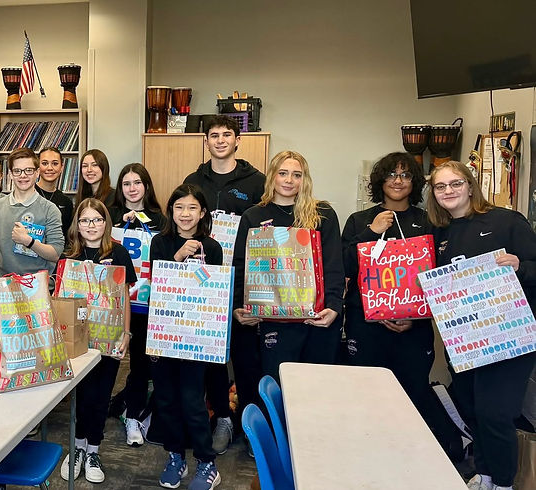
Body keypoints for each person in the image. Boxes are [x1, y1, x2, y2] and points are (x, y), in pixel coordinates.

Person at [426, 161, 536, 490]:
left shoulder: (507, 222)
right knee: (472, 410)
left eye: (455, 184)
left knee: (496, 413)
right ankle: (485, 473)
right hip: (463, 338)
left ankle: (503, 483)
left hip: (509, 337)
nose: (449, 191)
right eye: (440, 186)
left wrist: (520, 266)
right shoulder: (439, 233)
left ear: (471, 185)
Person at [341, 152, 460, 453]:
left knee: (413, 389)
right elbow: (343, 266)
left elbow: (441, 276)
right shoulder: (359, 220)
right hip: (366, 324)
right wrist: (371, 232)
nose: (397, 180)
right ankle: (370, 449)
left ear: (415, 182)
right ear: (380, 180)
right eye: (391, 174)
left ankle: (411, 450)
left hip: (414, 327)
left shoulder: (430, 221)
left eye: (405, 175)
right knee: (368, 392)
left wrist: (416, 317)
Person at [182, 114, 266, 454]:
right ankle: (220, 419)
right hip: (203, 283)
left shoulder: (256, 181)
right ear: (206, 141)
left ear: (237, 140)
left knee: (246, 358)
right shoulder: (194, 179)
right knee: (210, 357)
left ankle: (250, 426)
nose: (219, 140)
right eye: (213, 135)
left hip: (243, 280)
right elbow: (184, 219)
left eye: (226, 134)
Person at [232, 151, 345, 381]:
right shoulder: (253, 216)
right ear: (272, 176)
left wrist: (334, 306)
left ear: (305, 179)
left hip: (317, 319)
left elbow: (334, 263)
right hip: (274, 321)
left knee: (316, 389)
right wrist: (237, 307)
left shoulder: (322, 214)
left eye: (297, 175)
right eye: (283, 173)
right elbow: (241, 266)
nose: (289, 180)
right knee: (278, 386)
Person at [149, 184, 224, 490]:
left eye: (192, 207)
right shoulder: (160, 242)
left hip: (197, 336)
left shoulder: (213, 247)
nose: (185, 214)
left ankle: (207, 463)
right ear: (171, 211)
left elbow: (216, 292)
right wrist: (177, 258)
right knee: (166, 399)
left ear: (202, 212)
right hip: (165, 334)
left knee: (193, 399)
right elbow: (155, 285)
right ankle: (175, 456)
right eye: (179, 207)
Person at [59, 199, 136, 484]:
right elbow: (62, 301)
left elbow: (124, 298)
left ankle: (93, 450)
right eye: (85, 220)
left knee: (101, 395)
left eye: (97, 220)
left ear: (106, 223)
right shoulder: (70, 256)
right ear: (77, 226)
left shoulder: (119, 254)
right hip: (79, 342)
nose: (91, 226)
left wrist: (126, 334)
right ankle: (76, 448)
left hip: (109, 340)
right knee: (82, 396)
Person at [105, 162, 164, 446]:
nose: (132, 188)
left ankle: (133, 418)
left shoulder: (160, 219)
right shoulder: (109, 216)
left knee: (141, 365)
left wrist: (143, 220)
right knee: (104, 363)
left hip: (145, 304)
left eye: (137, 183)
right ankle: (95, 416)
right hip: (111, 303)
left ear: (146, 186)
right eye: (126, 183)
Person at [0, 147, 64, 277]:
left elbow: (55, 254)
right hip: (4, 284)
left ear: (37, 172)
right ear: (10, 174)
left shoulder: (50, 209)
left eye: (28, 170)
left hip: (37, 286)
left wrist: (29, 241)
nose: (23, 175)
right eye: (17, 171)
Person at [36, 147, 74, 241]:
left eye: (55, 164)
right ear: (38, 167)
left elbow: (67, 236)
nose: (50, 168)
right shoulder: (27, 194)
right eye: (45, 163)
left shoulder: (66, 202)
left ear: (61, 167)